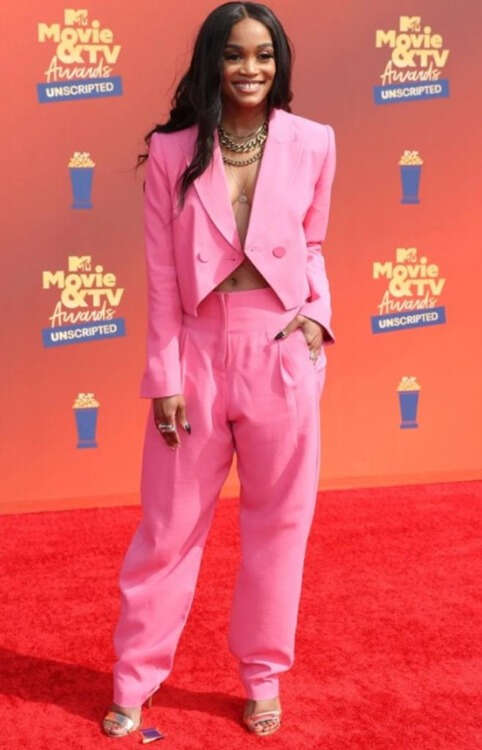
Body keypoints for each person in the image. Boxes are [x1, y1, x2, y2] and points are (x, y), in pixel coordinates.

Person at [102, 0, 336, 739]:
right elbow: (161, 277)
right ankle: (134, 679)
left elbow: (314, 243)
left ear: (280, 62)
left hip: (280, 349)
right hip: (196, 352)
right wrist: (164, 376)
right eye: (235, 54)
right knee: (167, 529)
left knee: (280, 527)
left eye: (263, 55)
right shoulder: (172, 151)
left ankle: (263, 677)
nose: (250, 68)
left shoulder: (313, 142)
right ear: (213, 61)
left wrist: (317, 317)